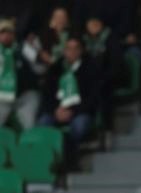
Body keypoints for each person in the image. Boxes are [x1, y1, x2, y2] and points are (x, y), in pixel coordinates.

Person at [38, 36, 103, 176]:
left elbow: (93, 97)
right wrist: (55, 110)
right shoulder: (55, 69)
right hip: (57, 111)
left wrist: (72, 111)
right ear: (64, 51)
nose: (72, 52)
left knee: (79, 125)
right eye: (68, 48)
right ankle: (48, 161)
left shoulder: (91, 68)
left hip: (80, 112)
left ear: (81, 50)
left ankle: (69, 160)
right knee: (43, 123)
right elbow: (47, 95)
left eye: (76, 48)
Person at [0, 19, 40, 130]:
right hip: (2, 98)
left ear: (14, 35)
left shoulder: (23, 48)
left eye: (9, 32)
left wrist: (35, 50)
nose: (6, 36)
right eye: (2, 33)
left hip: (25, 95)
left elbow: (40, 68)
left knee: (30, 126)